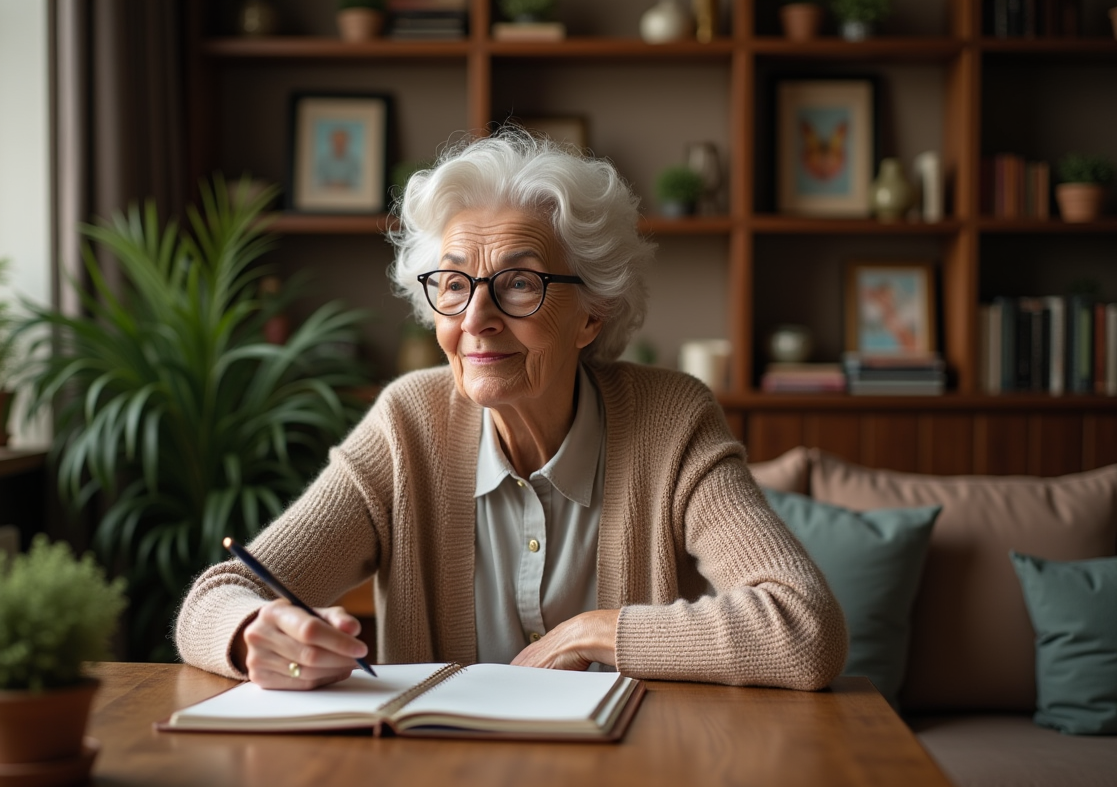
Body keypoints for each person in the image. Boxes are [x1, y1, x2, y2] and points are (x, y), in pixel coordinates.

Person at [175, 129, 848, 691]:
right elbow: (217, 597)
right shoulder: (408, 426)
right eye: (455, 282)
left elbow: (804, 628)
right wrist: (250, 636)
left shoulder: (671, 423)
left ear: (591, 314)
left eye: (520, 283)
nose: (476, 318)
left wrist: (596, 632)